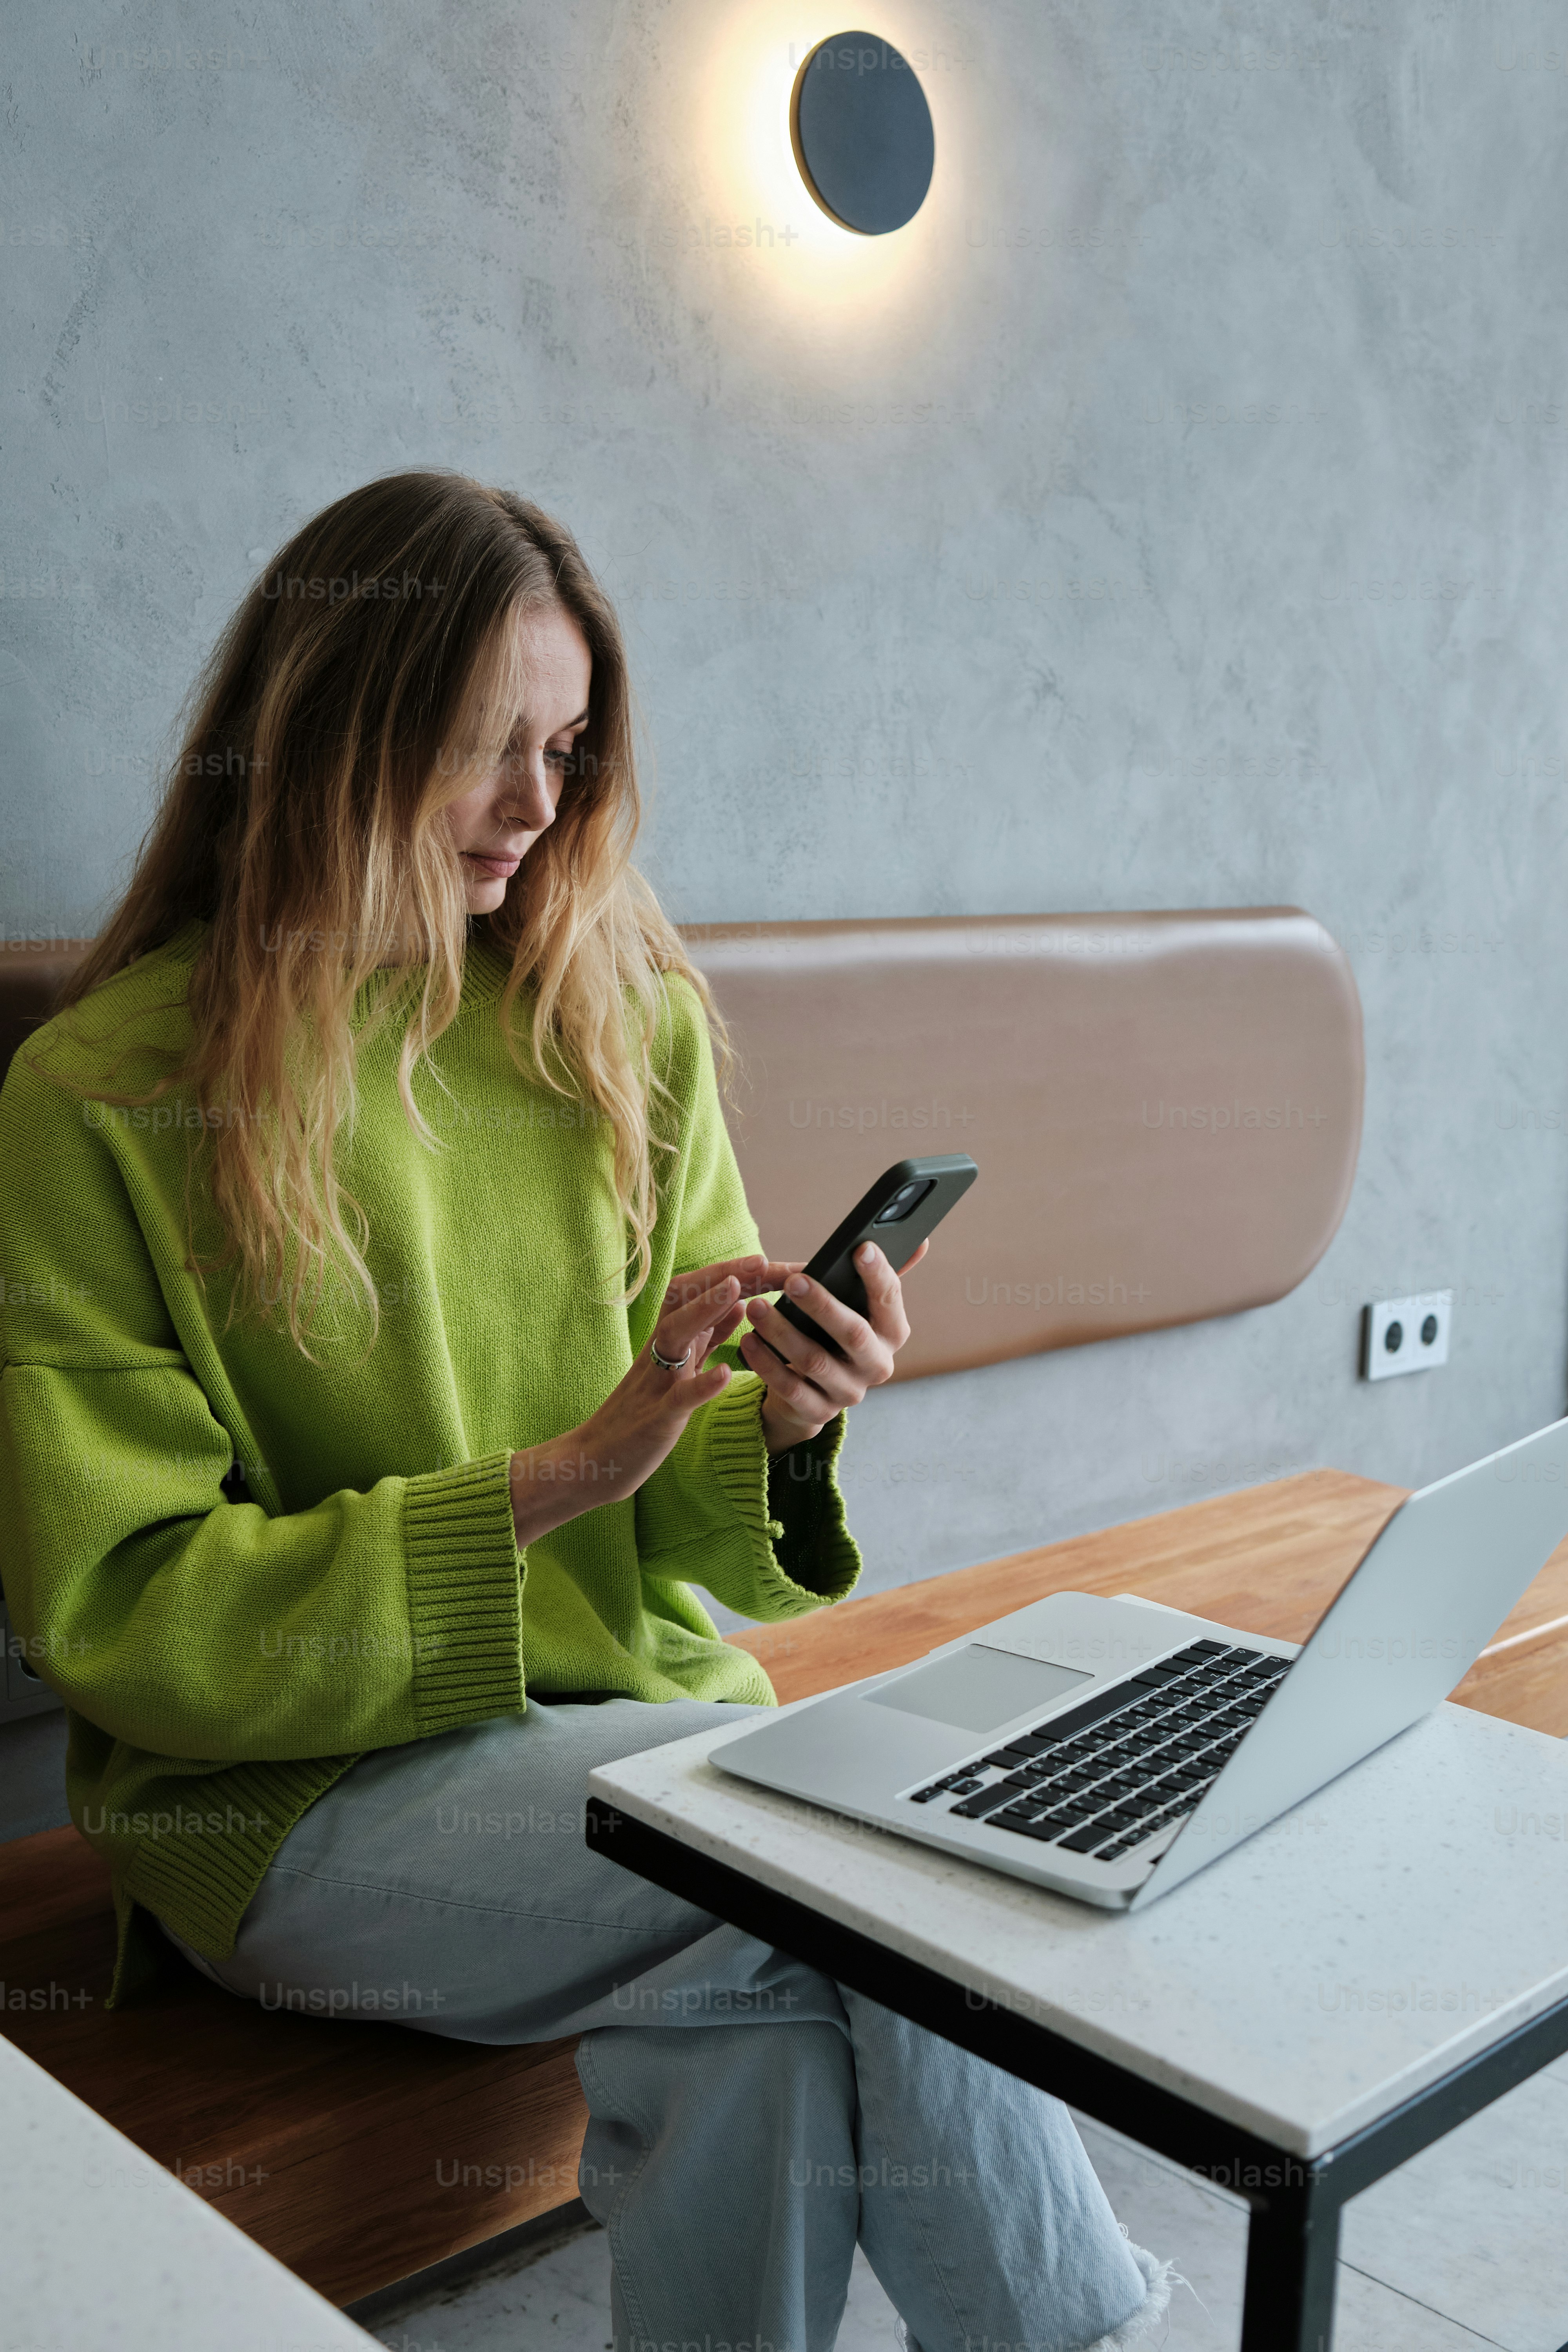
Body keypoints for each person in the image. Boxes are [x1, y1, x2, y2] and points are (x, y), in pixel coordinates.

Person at [0, 472, 1173, 2351]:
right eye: (482, 752)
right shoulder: (103, 1101)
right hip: (286, 1805)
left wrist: (780, 1430)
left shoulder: (613, 1022)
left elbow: (687, 1500)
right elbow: (130, 1625)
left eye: (566, 748)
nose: (537, 811)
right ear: (320, 745)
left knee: (760, 1996)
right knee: (854, 1878)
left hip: (632, 1733)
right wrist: (544, 1485)